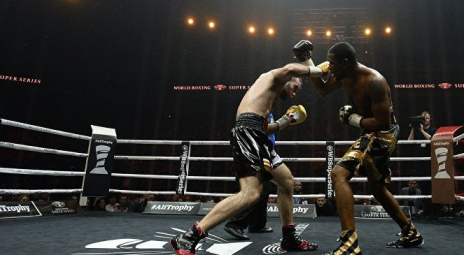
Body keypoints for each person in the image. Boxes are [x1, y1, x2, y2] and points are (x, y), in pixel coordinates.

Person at [170, 61, 324, 255]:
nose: (294, 93)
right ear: (289, 80)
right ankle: (190, 236)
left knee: (286, 182)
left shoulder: (268, 95)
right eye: (295, 87)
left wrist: (287, 120)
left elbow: (267, 128)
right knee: (251, 193)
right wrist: (317, 71)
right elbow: (289, 69)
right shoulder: (274, 76)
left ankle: (289, 238)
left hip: (258, 134)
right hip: (248, 132)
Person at [295, 40, 424, 253]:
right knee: (378, 188)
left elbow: (383, 123)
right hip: (369, 131)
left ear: (345, 63)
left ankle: (350, 243)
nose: (329, 67)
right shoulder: (344, 75)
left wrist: (352, 119)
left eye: (332, 63)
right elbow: (323, 89)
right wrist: (306, 59)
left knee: (338, 174)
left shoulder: (374, 81)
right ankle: (410, 232)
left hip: (383, 134)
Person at [223, 114, 278, 240]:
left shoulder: (268, 110)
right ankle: (235, 223)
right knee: (258, 191)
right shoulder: (260, 109)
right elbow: (263, 129)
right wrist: (286, 121)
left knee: (266, 189)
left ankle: (257, 224)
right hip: (255, 150)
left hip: (264, 151)